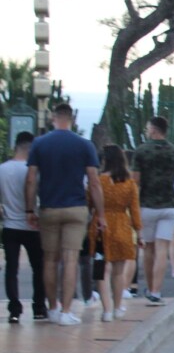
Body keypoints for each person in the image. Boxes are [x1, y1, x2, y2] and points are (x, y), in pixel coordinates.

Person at [24, 102, 107, 325]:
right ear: (72, 119)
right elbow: (94, 182)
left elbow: (31, 179)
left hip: (49, 208)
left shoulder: (40, 144)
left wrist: (30, 209)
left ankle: (53, 307)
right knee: (71, 258)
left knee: (50, 259)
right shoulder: (84, 145)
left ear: (53, 118)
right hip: (76, 208)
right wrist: (100, 214)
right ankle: (67, 312)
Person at [132, 116, 174, 305]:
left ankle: (150, 288)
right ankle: (157, 291)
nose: (146, 130)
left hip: (147, 206)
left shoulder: (141, 151)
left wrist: (132, 208)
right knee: (163, 249)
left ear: (153, 130)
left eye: (148, 127)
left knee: (149, 248)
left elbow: (135, 183)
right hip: (169, 207)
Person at [89, 144, 142, 322]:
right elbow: (135, 210)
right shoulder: (129, 183)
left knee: (101, 270)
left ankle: (107, 310)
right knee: (119, 272)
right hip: (122, 226)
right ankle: (118, 306)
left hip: (100, 228)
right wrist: (139, 232)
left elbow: (89, 202)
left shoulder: (98, 181)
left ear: (105, 160)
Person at [1, 131, 47, 323]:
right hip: (33, 226)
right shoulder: (35, 171)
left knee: (11, 268)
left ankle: (14, 309)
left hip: (10, 226)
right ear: (32, 148)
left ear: (15, 146)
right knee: (39, 267)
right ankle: (38, 307)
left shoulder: (2, 169)